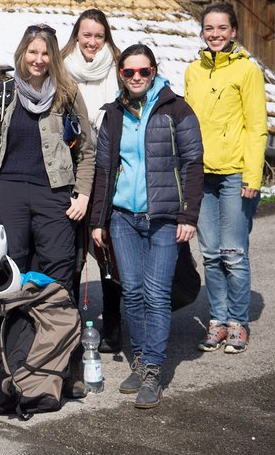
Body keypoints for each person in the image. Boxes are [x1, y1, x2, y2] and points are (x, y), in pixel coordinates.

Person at [89, 44, 203, 408]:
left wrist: (188, 216)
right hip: (123, 217)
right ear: (120, 75)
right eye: (129, 72)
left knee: (156, 294)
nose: (136, 77)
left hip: (165, 219)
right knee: (132, 292)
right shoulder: (113, 114)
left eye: (143, 71)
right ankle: (139, 360)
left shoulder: (177, 109)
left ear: (154, 71)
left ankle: (153, 368)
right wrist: (98, 220)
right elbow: (105, 170)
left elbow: (193, 164)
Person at [0, 23, 95, 285]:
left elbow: (86, 150)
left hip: (54, 193)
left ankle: (57, 325)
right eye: (32, 52)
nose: (38, 60)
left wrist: (82, 196)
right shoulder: (2, 93)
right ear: (22, 53)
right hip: (8, 192)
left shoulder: (67, 95)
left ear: (54, 58)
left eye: (45, 54)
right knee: (10, 266)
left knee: (59, 267)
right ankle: (16, 326)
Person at [184, 2, 267, 354]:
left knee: (233, 252)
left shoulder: (247, 71)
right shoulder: (193, 71)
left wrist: (252, 174)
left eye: (222, 28)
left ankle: (238, 321)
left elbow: (257, 127)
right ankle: (217, 320)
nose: (215, 34)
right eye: (209, 28)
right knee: (211, 253)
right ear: (202, 32)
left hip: (235, 174)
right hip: (201, 174)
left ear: (233, 32)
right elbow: (186, 126)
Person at [61, 9, 124, 353]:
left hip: (106, 168)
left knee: (105, 249)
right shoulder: (60, 68)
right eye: (86, 35)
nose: (91, 42)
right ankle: (66, 323)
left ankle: (113, 324)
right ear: (76, 36)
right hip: (68, 168)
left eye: (98, 36)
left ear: (106, 38)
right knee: (69, 250)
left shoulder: (118, 70)